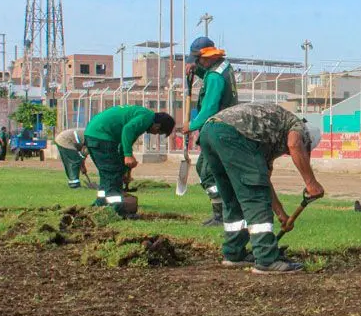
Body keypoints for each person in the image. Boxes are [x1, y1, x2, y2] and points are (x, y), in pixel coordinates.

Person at [198, 102, 324, 274]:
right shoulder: (297, 126)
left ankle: (234, 253)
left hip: (210, 132)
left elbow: (264, 181)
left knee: (234, 198)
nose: (289, 153)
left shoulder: (267, 138)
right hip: (233, 133)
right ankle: (266, 259)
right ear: (306, 139)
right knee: (255, 198)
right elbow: (295, 144)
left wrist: (282, 215)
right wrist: (311, 183)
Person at [185, 36, 240, 227]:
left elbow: (209, 107)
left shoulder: (215, 77)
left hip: (218, 128)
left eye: (197, 60)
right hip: (226, 126)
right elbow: (211, 75)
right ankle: (223, 212)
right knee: (214, 170)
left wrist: (190, 126)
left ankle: (221, 214)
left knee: (207, 171)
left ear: (206, 57)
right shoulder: (223, 67)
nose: (196, 62)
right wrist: (197, 70)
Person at [84, 105, 176, 215]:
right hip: (102, 136)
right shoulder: (146, 118)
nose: (155, 133)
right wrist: (128, 155)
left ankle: (101, 203)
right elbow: (127, 130)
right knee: (113, 173)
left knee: (107, 173)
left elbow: (124, 145)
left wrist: (125, 170)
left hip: (93, 134)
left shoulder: (141, 116)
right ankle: (117, 210)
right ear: (158, 126)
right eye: (159, 132)